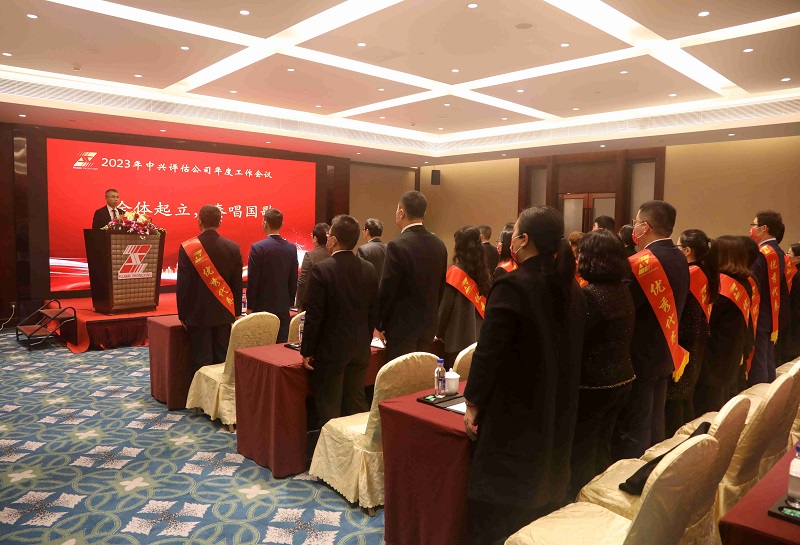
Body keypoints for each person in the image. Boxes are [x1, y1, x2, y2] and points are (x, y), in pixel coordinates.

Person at [463, 206, 586, 544]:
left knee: (500, 513)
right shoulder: (572, 288)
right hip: (557, 406)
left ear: (524, 240)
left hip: (514, 411)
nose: (511, 240)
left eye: (514, 233)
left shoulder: (512, 286)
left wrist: (472, 403)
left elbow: (489, 354)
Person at [612, 200, 689, 460]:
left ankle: (634, 471)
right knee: (656, 419)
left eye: (635, 222)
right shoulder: (679, 256)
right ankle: (656, 464)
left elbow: (624, 306)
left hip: (640, 352)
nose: (633, 227)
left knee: (636, 423)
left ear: (645, 227)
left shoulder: (641, 262)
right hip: (667, 347)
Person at [568, 229, 635, 498]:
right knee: (602, 445)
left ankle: (581, 501)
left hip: (594, 383)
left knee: (582, 451)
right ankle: (600, 496)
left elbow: (575, 340)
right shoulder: (622, 289)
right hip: (621, 377)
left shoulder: (591, 295)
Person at [301, 215, 379, 432]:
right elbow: (373, 311)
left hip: (331, 351)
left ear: (333, 240)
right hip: (360, 348)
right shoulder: (369, 269)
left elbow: (314, 316)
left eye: (328, 235)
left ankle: (331, 451)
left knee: (329, 408)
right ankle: (357, 448)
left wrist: (306, 350)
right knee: (356, 403)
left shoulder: (322, 269)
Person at [377, 191, 448, 361]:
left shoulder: (397, 245)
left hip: (401, 328)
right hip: (428, 325)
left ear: (401, 212)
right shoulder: (439, 244)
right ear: (424, 213)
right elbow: (440, 288)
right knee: (421, 374)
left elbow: (387, 289)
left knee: (401, 374)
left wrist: (380, 323)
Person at [177, 205, 243, 368]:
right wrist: (236, 312)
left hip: (197, 313)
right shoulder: (233, 247)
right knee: (222, 360)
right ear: (220, 222)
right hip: (224, 312)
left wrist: (183, 314)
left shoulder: (187, 247)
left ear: (199, 221)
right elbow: (237, 283)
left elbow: (183, 285)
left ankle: (201, 386)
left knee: (202, 361)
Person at [665, 229, 717, 436]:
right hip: (696, 336)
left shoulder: (691, 273)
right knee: (685, 391)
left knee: (677, 393)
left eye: (678, 246)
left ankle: (676, 438)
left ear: (687, 251)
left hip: (685, 338)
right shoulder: (703, 271)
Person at [694, 236, 754, 415]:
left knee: (708, 408)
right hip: (730, 352)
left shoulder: (723, 285)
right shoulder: (744, 281)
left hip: (714, 355)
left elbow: (707, 319)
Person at [437, 226, 491, 369]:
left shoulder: (455, 273)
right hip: (479, 340)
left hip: (457, 343)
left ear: (458, 247)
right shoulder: (483, 272)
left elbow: (445, 310)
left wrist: (439, 332)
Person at [748, 210, 788, 384]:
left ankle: (760, 395)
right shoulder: (777, 251)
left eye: (754, 225)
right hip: (771, 310)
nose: (751, 229)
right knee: (767, 356)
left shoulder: (762, 252)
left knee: (759, 359)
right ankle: (770, 393)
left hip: (759, 311)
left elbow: (753, 282)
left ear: (763, 228)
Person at [246, 208, 299, 343]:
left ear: (265, 223)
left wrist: (250, 306)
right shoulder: (291, 248)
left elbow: (253, 280)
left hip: (261, 307)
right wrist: (289, 302)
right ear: (281, 224)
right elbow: (293, 278)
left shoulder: (258, 247)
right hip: (282, 305)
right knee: (280, 346)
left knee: (261, 345)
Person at [296, 223, 330, 310]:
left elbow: (303, 281)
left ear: (315, 238)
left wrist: (299, 304)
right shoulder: (333, 254)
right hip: (330, 301)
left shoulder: (310, 255)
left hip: (313, 302)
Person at [783, 243, 800, 362]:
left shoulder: (795, 274)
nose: (786, 255)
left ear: (798, 258)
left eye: (789, 253)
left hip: (794, 313)